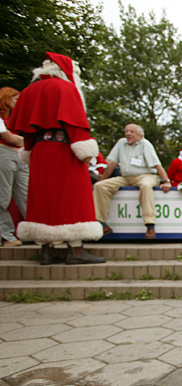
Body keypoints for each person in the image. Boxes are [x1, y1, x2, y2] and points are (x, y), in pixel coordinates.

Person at [7, 52, 105, 264]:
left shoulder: (29, 91)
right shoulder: (66, 88)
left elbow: (27, 129)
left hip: (41, 151)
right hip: (64, 150)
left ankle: (47, 251)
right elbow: (75, 124)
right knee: (73, 198)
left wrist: (31, 148)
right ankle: (75, 252)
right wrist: (87, 153)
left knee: (43, 198)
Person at [93, 124, 172, 239]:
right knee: (100, 186)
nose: (128, 134)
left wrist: (166, 181)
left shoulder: (145, 144)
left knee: (145, 186)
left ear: (140, 135)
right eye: (126, 131)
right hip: (125, 177)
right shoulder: (121, 143)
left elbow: (157, 165)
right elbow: (112, 164)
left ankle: (150, 225)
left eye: (132, 132)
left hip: (145, 175)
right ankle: (102, 223)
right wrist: (104, 178)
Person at [0, 87, 28, 247]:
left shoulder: (18, 119)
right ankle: (7, 235)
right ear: (6, 99)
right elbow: (10, 138)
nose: (18, 102)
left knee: (26, 196)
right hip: (4, 154)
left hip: (21, 156)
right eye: (15, 98)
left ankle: (36, 233)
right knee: (2, 197)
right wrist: (29, 141)